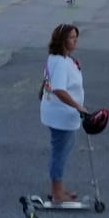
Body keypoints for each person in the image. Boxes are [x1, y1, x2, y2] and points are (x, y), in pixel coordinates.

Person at [39, 23, 88, 202]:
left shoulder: (59, 58)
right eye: (71, 38)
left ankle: (58, 189)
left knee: (61, 151)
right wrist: (77, 106)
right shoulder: (60, 62)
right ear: (62, 40)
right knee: (59, 153)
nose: (75, 41)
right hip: (61, 116)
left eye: (76, 37)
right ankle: (57, 193)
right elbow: (59, 89)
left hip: (59, 114)